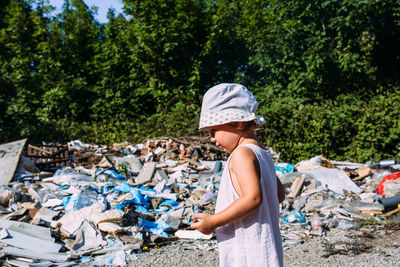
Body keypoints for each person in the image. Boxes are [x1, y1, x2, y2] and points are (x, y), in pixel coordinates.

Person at [191, 83, 284, 267]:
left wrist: (213, 221)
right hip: (265, 250)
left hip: (249, 252)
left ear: (237, 123)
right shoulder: (263, 154)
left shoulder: (241, 154)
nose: (212, 139)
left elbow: (253, 198)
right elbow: (279, 195)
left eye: (213, 130)